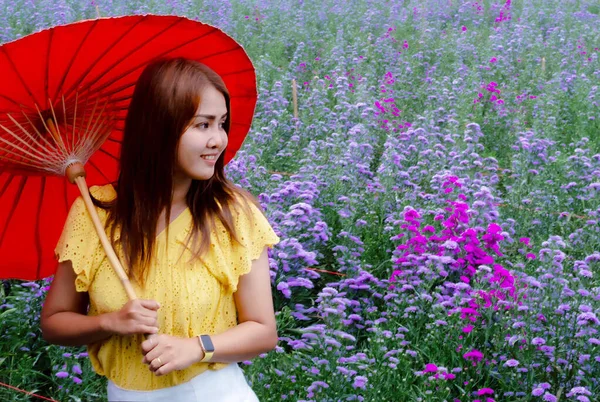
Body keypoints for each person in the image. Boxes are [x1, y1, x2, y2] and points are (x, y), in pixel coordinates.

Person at [40, 58, 280, 401]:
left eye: (221, 123)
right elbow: (54, 322)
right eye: (202, 125)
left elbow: (263, 331)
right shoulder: (95, 213)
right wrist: (109, 322)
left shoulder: (233, 214)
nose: (218, 140)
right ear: (159, 127)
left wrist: (197, 347)